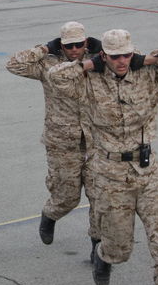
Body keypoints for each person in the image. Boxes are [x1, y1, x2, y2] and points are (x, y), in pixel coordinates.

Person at [47, 29, 158, 285]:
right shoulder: (88, 81)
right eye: (115, 56)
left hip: (147, 172)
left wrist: (151, 59)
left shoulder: (149, 75)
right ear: (104, 55)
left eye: (127, 55)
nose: (122, 61)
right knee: (119, 249)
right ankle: (104, 257)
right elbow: (55, 77)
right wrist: (90, 64)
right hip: (110, 175)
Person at [6, 22, 102, 259]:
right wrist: (43, 49)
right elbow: (13, 64)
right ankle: (49, 216)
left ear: (86, 43)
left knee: (100, 198)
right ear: (61, 45)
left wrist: (105, 48)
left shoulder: (100, 60)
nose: (75, 50)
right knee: (67, 198)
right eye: (69, 46)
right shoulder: (48, 64)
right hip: (61, 142)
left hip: (96, 141)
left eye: (80, 45)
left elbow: (129, 60)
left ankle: (97, 249)